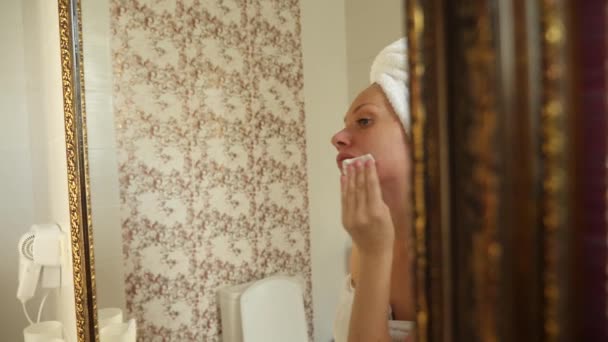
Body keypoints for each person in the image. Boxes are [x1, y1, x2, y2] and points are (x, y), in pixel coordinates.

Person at [331, 38, 415, 342]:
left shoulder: (466, 256)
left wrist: (374, 252)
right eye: (345, 124)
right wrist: (372, 250)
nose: (337, 137)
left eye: (364, 121)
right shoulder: (367, 238)